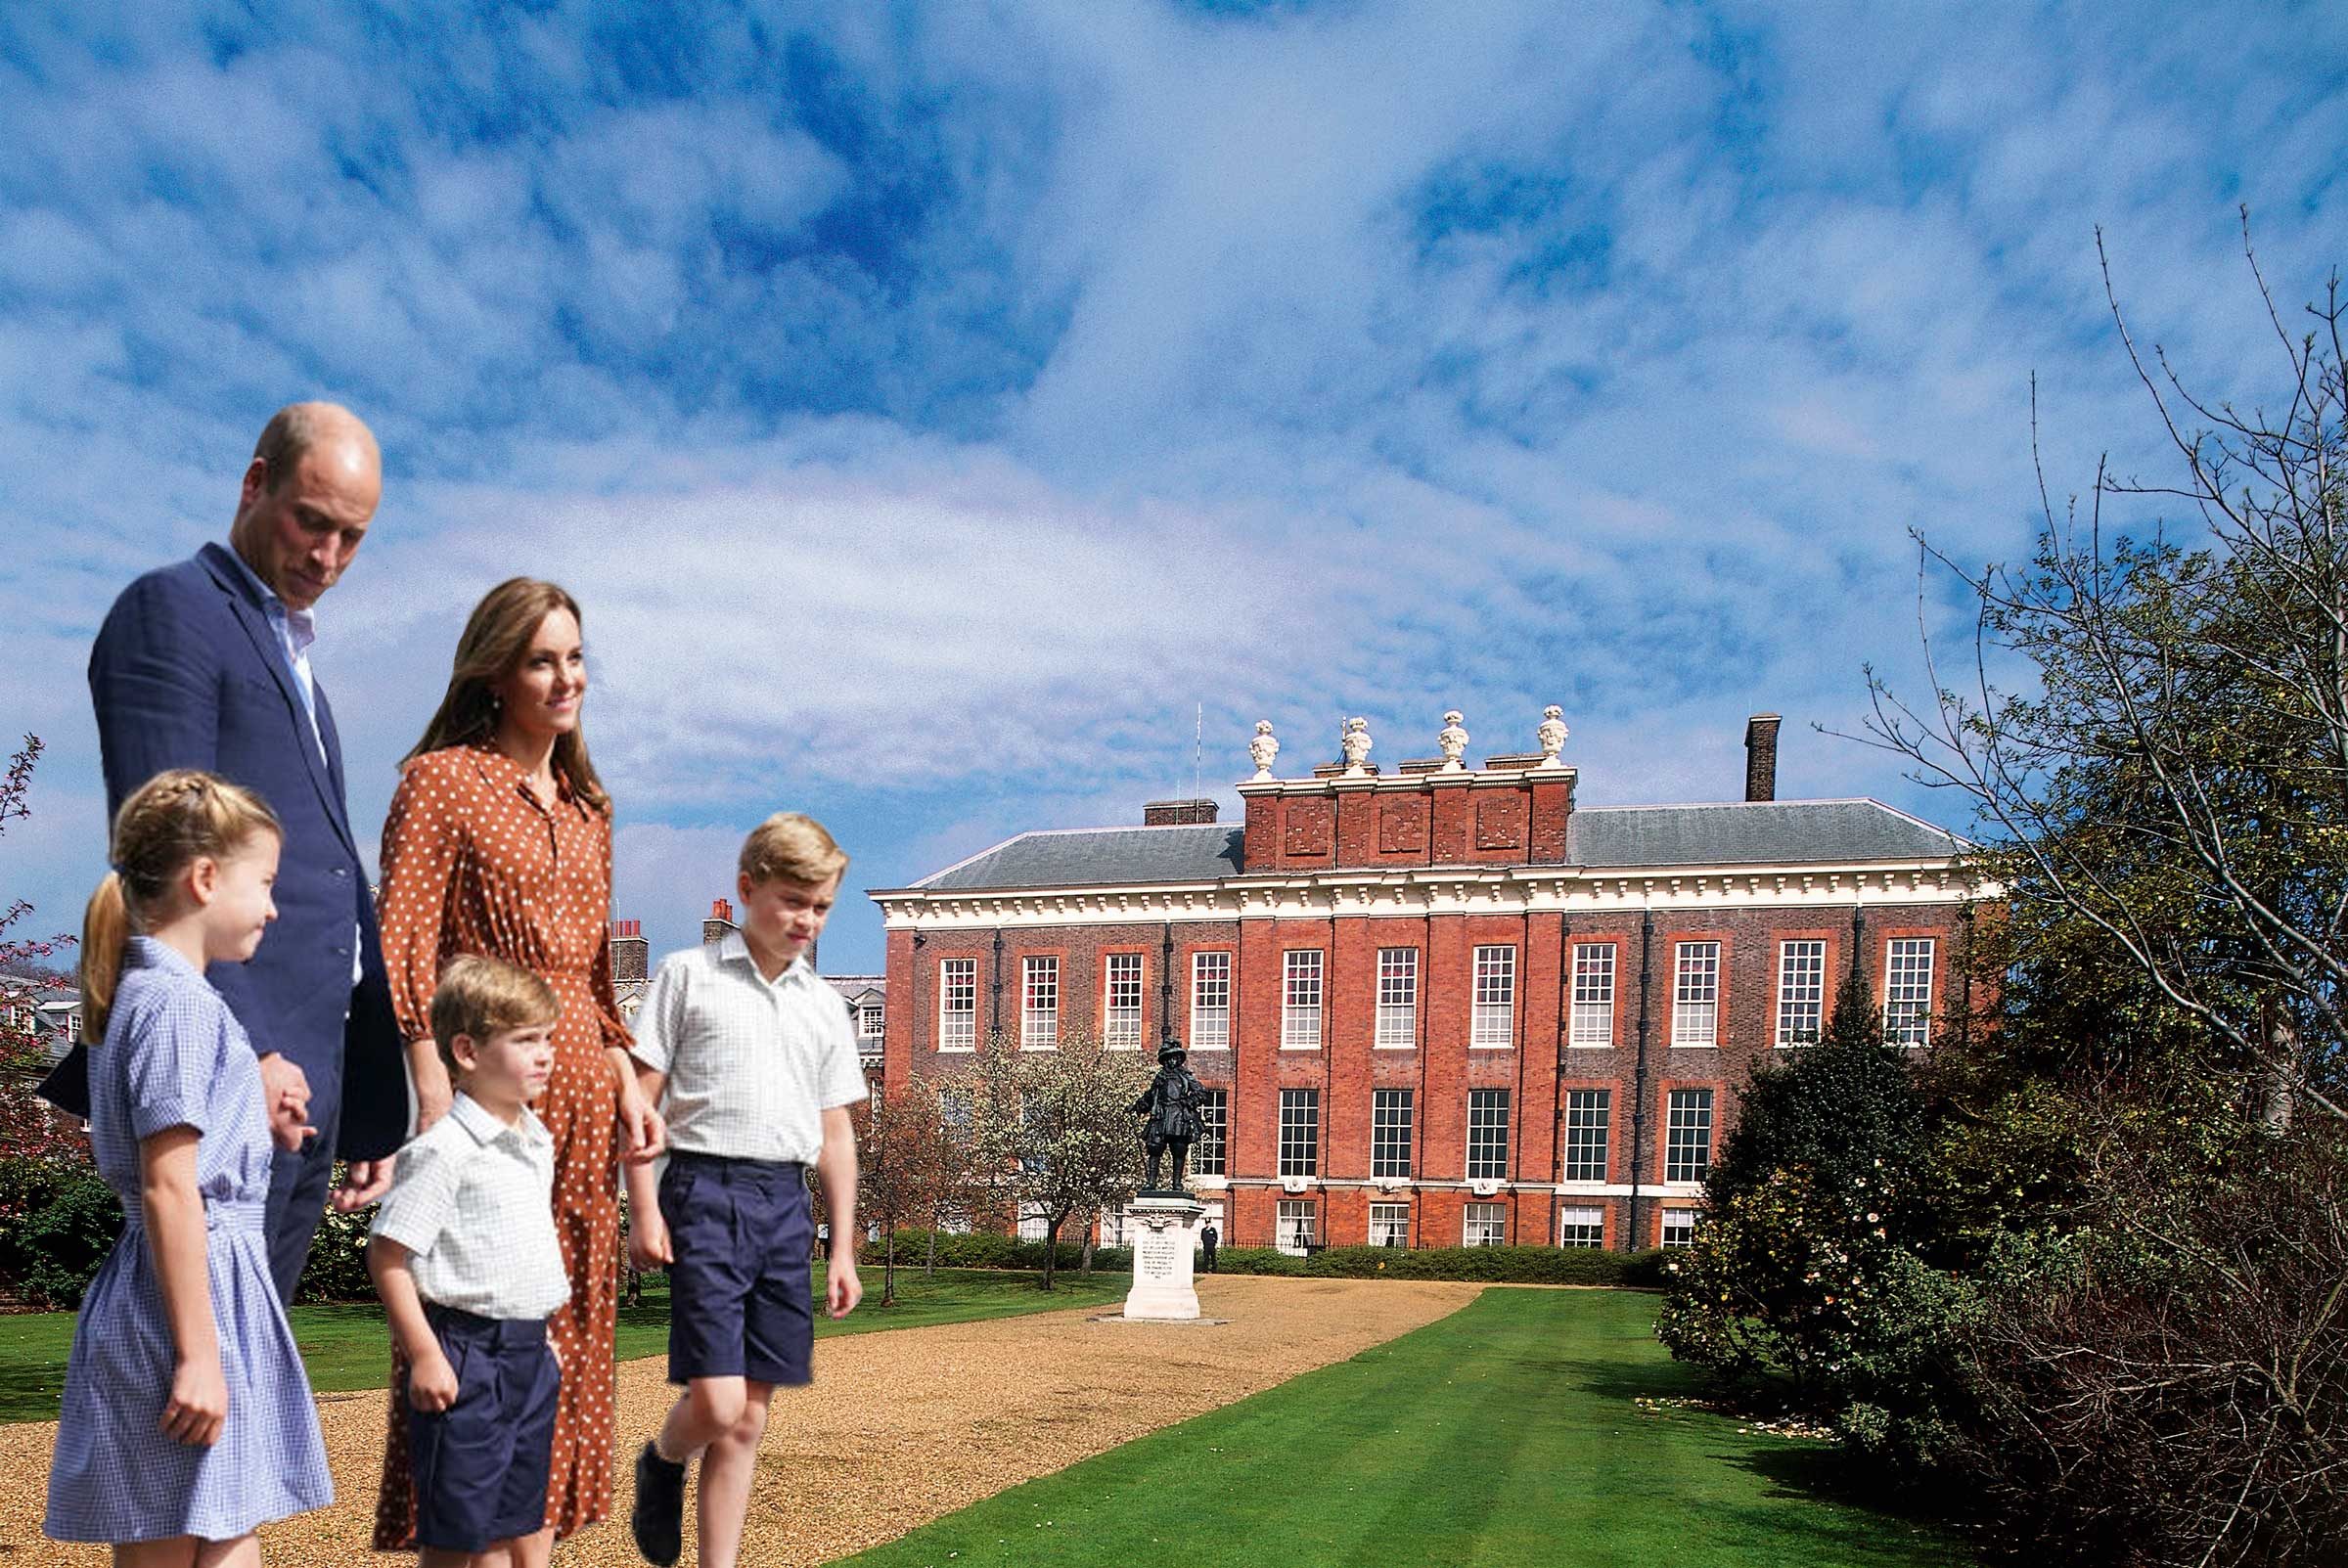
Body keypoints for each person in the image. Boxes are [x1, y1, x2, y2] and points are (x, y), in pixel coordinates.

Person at [52, 402, 408, 1302]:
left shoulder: (310, 682)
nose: (328, 556)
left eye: (351, 537)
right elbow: (163, 853)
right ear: (254, 485)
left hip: (309, 1080)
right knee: (190, 1391)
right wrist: (236, 1054)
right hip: (229, 1069)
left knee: (248, 1383)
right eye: (310, 521)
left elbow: (336, 881)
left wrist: (365, 1094)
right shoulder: (171, 612)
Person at [369, 578, 663, 1551]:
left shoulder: (588, 806)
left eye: (576, 656)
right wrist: (429, 1082)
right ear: (495, 672)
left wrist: (627, 1079)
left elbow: (592, 976)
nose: (566, 676)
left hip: (578, 1092)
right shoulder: (442, 780)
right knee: (475, 1315)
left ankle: (538, 1542)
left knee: (562, 1334)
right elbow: (402, 938)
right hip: (484, 1083)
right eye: (543, 659)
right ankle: (462, 1533)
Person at [44, 771, 333, 1564]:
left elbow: (184, 1158)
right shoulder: (175, 1004)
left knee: (225, 1527)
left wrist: (256, 1123)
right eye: (265, 882)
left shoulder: (145, 996)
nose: (273, 907)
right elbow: (170, 1182)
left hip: (194, 1291)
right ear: (205, 879)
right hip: (184, 1308)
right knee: (181, 1539)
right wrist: (198, 1355)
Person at [623, 813, 867, 1568]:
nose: (806, 919)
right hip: (704, 1191)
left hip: (785, 1206)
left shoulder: (825, 1005)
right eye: (793, 899)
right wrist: (642, 1208)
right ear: (747, 887)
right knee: (720, 1402)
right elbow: (640, 1102)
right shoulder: (686, 976)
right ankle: (663, 1459)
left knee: (749, 1421)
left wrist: (842, 1247)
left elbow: (835, 1136)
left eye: (821, 906)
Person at [369, 957, 570, 1568]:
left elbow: (522, 1247)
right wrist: (427, 1354)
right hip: (465, 1357)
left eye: (547, 1040)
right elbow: (387, 1254)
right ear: (468, 1050)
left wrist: (543, 1339)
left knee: (519, 1522)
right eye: (524, 1041)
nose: (544, 1055)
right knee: (458, 1536)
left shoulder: (535, 1141)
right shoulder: (443, 1151)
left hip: (529, 1355)